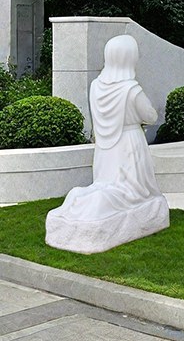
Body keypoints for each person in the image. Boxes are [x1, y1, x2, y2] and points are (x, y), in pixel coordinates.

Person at [46, 35, 169, 253]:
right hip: (130, 145)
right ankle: (99, 205)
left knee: (104, 184)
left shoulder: (96, 86)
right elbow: (149, 116)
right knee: (132, 190)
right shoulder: (131, 89)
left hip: (105, 148)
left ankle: (81, 201)